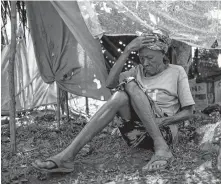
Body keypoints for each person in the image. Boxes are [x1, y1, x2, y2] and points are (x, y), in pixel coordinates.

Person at [33, 29, 195, 172]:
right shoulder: (137, 70)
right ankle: (67, 157)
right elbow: (110, 84)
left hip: (164, 132)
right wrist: (126, 51)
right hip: (137, 135)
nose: (145, 63)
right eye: (141, 57)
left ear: (163, 54)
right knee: (121, 94)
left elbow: (188, 112)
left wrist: (165, 120)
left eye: (150, 57)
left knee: (129, 84)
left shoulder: (177, 72)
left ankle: (161, 147)